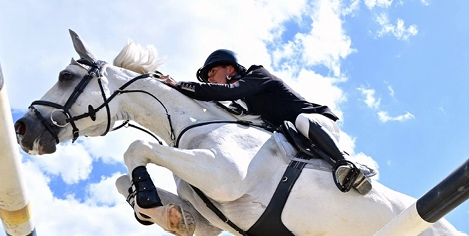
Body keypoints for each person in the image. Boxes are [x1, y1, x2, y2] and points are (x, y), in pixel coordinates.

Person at [159, 49, 371, 195]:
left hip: (318, 123)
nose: (210, 79)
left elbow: (225, 91)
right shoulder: (242, 103)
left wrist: (179, 85)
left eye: (213, 72)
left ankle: (345, 164)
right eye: (208, 77)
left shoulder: (258, 74)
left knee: (302, 119)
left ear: (230, 69)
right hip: (296, 140)